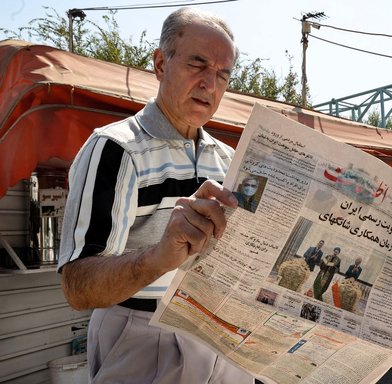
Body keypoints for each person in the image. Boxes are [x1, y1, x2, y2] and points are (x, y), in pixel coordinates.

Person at [58, 8, 254, 383]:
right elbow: (77, 286)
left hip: (223, 342)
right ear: (161, 63)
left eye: (223, 74)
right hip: (145, 334)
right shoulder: (115, 149)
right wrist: (157, 258)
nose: (210, 85)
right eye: (198, 64)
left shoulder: (229, 161)